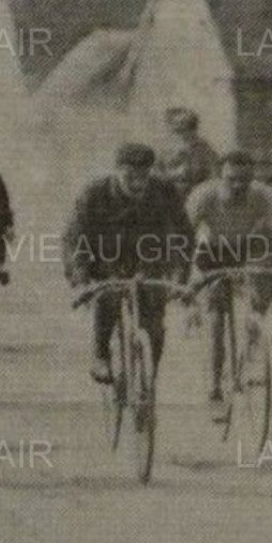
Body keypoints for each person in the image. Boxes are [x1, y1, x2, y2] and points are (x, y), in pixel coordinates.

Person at [63, 142, 194, 384]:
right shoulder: (94, 193)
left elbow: (184, 233)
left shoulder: (164, 190)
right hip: (106, 256)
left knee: (154, 324)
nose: (137, 182)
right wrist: (81, 280)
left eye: (143, 176)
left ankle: (148, 381)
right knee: (109, 294)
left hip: (150, 256)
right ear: (116, 171)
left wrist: (180, 277)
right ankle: (101, 354)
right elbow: (74, 239)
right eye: (129, 176)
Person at [185, 150, 272, 404]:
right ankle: (215, 387)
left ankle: (252, 336)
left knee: (266, 275)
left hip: (245, 246)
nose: (238, 185)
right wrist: (190, 275)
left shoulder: (262, 194)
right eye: (231, 179)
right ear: (219, 176)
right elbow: (182, 237)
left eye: (245, 180)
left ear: (252, 179)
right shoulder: (203, 195)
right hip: (211, 250)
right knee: (216, 318)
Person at [158, 108, 219, 201]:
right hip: (170, 196)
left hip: (198, 196)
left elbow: (214, 177)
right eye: (178, 130)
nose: (184, 134)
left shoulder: (205, 149)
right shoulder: (164, 150)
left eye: (189, 127)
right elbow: (158, 175)